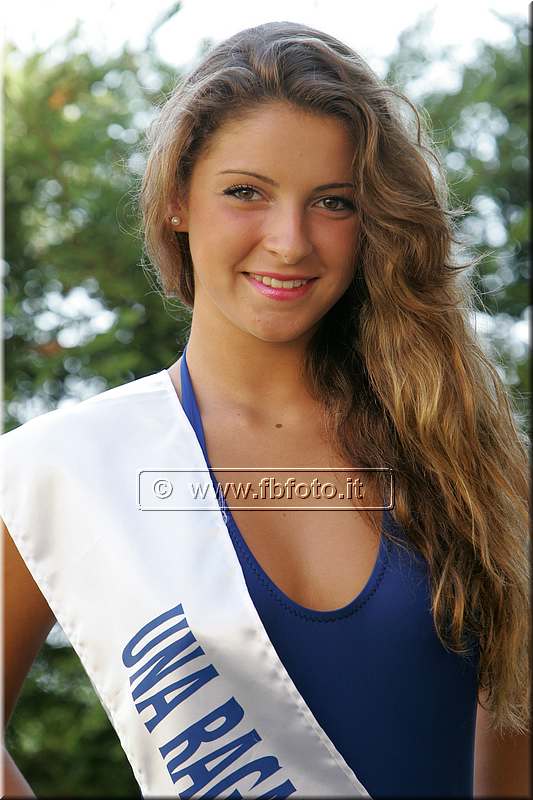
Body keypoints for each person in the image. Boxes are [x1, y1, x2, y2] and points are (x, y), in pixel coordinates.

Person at [2, 19, 530, 799]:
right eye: (245, 192)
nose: (289, 241)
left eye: (333, 202)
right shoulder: (61, 469)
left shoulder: (457, 454)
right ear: (177, 200)